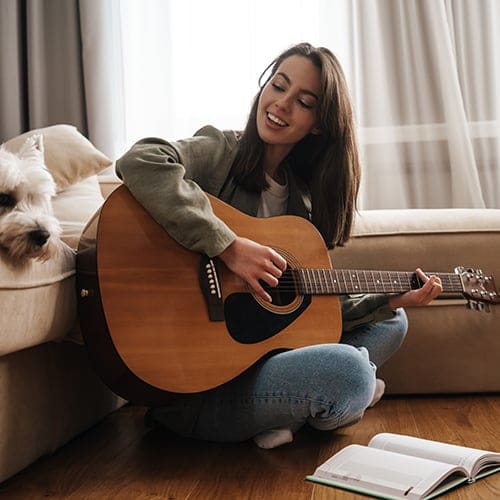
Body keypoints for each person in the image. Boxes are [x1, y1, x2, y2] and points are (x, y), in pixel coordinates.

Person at [116, 42, 442, 449]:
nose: (281, 105)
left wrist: (389, 300)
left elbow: (306, 314)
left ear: (320, 124)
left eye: (303, 101)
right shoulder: (221, 152)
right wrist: (228, 246)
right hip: (203, 391)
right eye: (278, 86)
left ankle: (292, 411)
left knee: (393, 322)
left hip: (268, 362)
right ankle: (318, 404)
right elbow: (142, 159)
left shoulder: (299, 204)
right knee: (352, 372)